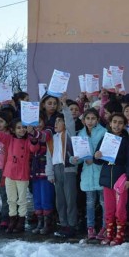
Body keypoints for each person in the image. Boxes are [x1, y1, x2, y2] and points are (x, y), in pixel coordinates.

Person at [93, 112, 129, 245]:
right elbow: (98, 160)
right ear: (110, 123)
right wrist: (97, 156)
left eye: (120, 123)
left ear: (124, 125)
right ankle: (109, 233)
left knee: (120, 208)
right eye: (114, 122)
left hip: (120, 179)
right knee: (109, 207)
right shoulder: (105, 138)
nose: (117, 125)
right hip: (107, 178)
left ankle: (120, 234)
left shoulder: (126, 141)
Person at [45, 97, 78, 238]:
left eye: (60, 121)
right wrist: (50, 174)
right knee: (60, 200)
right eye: (56, 122)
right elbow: (49, 158)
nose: (57, 124)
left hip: (68, 169)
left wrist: (64, 106)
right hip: (56, 170)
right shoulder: (52, 139)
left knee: (70, 199)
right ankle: (63, 224)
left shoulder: (69, 134)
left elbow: (70, 121)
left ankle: (72, 225)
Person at [73, 108, 106, 241]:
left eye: (93, 118)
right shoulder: (80, 134)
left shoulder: (104, 132)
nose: (90, 121)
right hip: (87, 174)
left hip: (101, 172)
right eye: (88, 118)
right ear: (84, 120)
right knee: (90, 202)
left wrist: (96, 158)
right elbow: (80, 156)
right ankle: (90, 227)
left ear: (97, 119)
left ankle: (105, 227)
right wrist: (75, 159)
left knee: (104, 203)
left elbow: (107, 152)